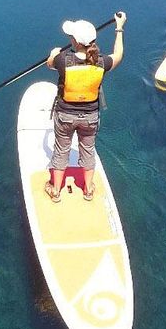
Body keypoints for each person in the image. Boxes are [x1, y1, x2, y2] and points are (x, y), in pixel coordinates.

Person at [43, 11, 126, 203]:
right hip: (90, 118)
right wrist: (119, 28)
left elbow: (49, 64)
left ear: (76, 42)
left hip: (65, 116)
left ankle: (55, 190)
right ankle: (88, 190)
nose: (70, 37)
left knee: (61, 150)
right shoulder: (102, 62)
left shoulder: (62, 60)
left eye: (71, 36)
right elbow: (119, 55)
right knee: (88, 150)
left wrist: (53, 53)